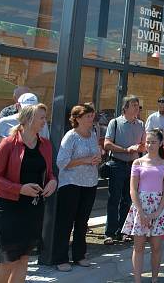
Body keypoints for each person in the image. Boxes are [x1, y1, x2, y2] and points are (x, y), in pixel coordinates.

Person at [0, 103, 57, 282]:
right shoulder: (9, 143)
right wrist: (20, 188)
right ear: (28, 120)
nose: (45, 122)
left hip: (33, 208)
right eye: (42, 118)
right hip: (9, 208)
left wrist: (52, 182)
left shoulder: (45, 144)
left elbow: (50, 172)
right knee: (7, 260)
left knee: (24, 259)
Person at [51, 103, 101, 272]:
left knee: (82, 221)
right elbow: (61, 162)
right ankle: (60, 258)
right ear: (77, 119)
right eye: (88, 116)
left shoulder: (93, 134)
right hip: (71, 183)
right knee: (65, 222)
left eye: (92, 116)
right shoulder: (70, 136)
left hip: (90, 182)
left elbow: (95, 154)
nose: (91, 119)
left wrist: (96, 159)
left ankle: (79, 255)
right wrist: (85, 160)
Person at [122, 129, 164, 283]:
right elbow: (133, 189)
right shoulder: (137, 162)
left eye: (153, 142)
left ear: (160, 143)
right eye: (147, 142)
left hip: (158, 207)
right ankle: (137, 280)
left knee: (157, 247)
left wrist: (158, 211)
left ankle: (154, 279)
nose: (150, 145)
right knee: (138, 247)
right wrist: (140, 211)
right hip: (141, 205)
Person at [103, 95, 146, 244]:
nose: (137, 108)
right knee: (114, 199)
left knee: (128, 200)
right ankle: (109, 233)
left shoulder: (141, 124)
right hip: (117, 164)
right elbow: (107, 144)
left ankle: (124, 231)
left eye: (137, 105)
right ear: (125, 107)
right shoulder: (115, 123)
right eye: (133, 105)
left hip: (133, 166)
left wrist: (140, 148)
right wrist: (126, 150)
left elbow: (143, 145)